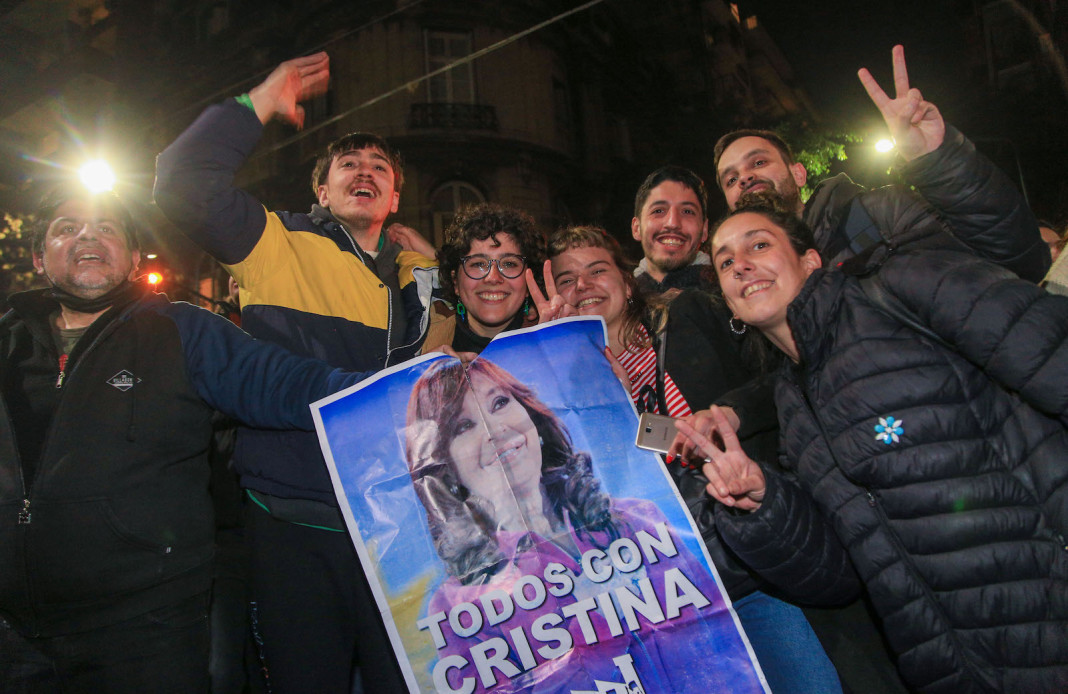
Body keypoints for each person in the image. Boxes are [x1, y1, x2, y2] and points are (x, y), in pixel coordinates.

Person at [674, 196, 1068, 693]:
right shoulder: (794, 408)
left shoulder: (901, 292)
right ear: (729, 301)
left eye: (759, 244)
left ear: (811, 260)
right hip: (963, 668)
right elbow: (841, 577)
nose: (741, 265)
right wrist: (764, 506)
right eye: (726, 260)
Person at [0, 185, 376, 693]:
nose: (87, 237)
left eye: (107, 228)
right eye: (66, 229)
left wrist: (421, 386)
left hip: (146, 633)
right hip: (15, 640)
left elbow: (293, 384)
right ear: (39, 259)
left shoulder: (183, 330)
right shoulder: (6, 340)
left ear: (135, 259)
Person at [154, 52, 437, 691]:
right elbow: (179, 181)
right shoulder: (275, 241)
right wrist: (256, 103)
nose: (363, 173)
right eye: (347, 165)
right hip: (293, 520)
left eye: (379, 169)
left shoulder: (422, 282)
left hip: (402, 532)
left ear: (395, 197)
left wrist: (433, 273)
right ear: (321, 191)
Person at [545, 225, 842, 693]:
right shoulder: (554, 390)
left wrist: (726, 412)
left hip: (746, 572)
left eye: (597, 270)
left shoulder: (690, 317)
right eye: (566, 279)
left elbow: (779, 382)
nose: (582, 286)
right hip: (662, 601)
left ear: (627, 281)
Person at [404, 358, 758, 694]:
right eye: (463, 426)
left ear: (532, 419)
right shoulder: (455, 608)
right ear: (445, 467)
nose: (494, 430)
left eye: (499, 403)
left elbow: (717, 650)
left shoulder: (638, 520)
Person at [713, 45, 1049, 283]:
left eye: (758, 162)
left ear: (798, 174)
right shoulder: (741, 283)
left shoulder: (879, 213)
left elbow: (1016, 260)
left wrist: (939, 161)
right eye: (730, 180)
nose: (744, 178)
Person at [422, 203, 545, 354]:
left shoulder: (554, 343)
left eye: (509, 264)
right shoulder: (420, 342)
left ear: (529, 281)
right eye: (478, 264)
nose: (493, 278)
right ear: (455, 282)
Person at [629, 166, 715, 294]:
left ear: (704, 230)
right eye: (658, 211)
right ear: (637, 228)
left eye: (687, 211)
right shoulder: (620, 304)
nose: (673, 223)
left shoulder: (733, 296)